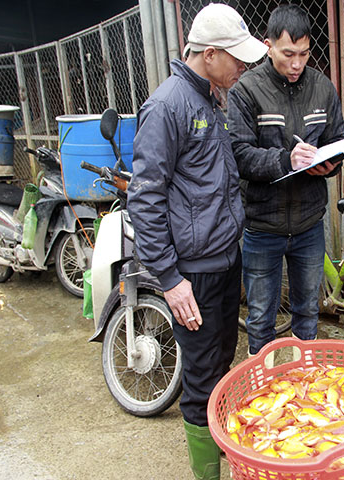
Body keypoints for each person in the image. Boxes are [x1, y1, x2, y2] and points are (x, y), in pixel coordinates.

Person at [126, 4, 267, 480]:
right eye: (237, 59)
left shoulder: (212, 98)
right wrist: (170, 280)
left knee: (222, 360)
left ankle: (220, 443)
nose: (243, 68)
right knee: (202, 376)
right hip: (193, 274)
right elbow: (144, 201)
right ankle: (207, 472)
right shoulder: (167, 107)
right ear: (209, 54)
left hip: (225, 262)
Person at [228, 4, 344, 360]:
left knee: (308, 313)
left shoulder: (323, 87)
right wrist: (285, 160)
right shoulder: (246, 90)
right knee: (261, 316)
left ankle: (302, 381)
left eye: (305, 54)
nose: (297, 64)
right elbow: (238, 154)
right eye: (288, 54)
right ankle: (263, 390)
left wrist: (331, 164)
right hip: (263, 225)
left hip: (309, 222)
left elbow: (337, 138)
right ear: (268, 46)